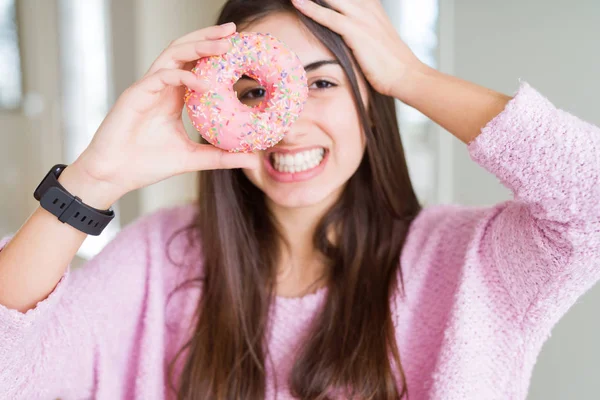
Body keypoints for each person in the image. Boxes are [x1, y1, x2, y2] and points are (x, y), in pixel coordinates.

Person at [1, 0, 599, 399]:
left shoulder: (470, 263)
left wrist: (413, 78)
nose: (287, 124)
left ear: (372, 98)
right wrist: (93, 181)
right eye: (254, 91)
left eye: (321, 82)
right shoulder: (164, 257)